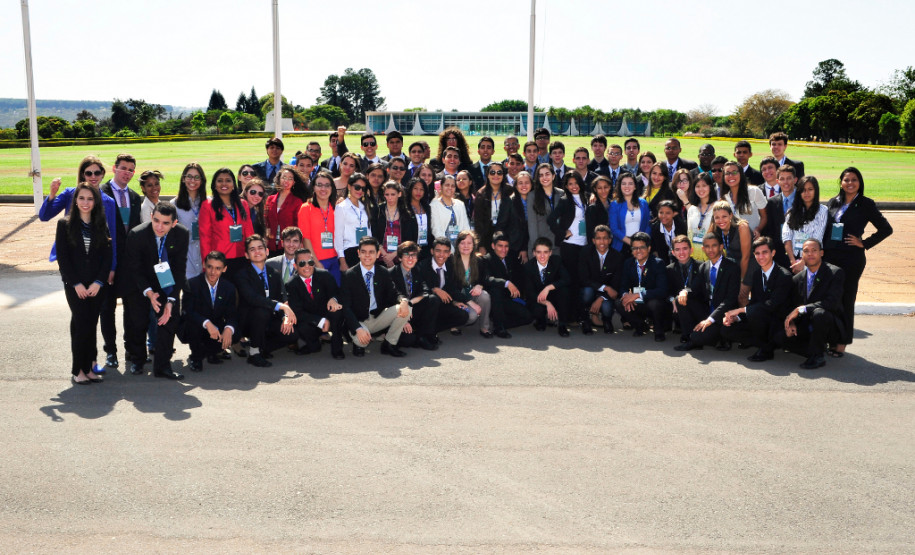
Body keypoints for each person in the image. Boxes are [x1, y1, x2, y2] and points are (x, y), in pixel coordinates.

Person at [40, 156, 118, 371]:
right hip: (73, 267)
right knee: (81, 317)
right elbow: (44, 216)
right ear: (82, 175)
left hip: (96, 269)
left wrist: (110, 269)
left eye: (97, 173)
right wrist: (52, 194)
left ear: (103, 175)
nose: (93, 177)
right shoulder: (70, 195)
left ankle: (90, 362)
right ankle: (82, 366)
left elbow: (111, 240)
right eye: (88, 173)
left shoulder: (108, 202)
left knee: (91, 316)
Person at [823, 167, 893, 357]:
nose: (850, 183)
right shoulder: (833, 202)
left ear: (860, 183)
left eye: (854, 180)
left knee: (846, 300)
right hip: (830, 257)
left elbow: (886, 229)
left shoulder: (865, 204)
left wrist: (864, 243)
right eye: (846, 180)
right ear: (841, 182)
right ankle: (830, 338)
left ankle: (841, 344)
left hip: (851, 259)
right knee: (831, 299)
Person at [123, 202, 189, 380]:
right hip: (140, 284)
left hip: (166, 280)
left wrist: (172, 301)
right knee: (138, 321)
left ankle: (162, 366)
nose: (160, 227)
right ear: (151, 216)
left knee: (170, 319)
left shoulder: (182, 234)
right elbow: (134, 269)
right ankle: (137, 359)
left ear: (174, 223)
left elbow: (179, 269)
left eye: (166, 223)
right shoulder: (137, 235)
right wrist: (149, 293)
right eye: (156, 221)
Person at [55, 183, 112, 385]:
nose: (85, 203)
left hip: (96, 286)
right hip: (75, 286)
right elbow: (63, 258)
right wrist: (76, 283)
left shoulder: (100, 224)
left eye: (89, 198)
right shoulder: (65, 224)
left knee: (91, 324)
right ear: (75, 200)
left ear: (95, 201)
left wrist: (98, 282)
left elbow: (107, 258)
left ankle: (88, 368)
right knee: (81, 325)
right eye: (81, 198)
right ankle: (78, 370)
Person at [720, 236, 793, 362]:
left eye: (765, 252)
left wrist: (740, 310)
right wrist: (736, 318)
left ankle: (766, 349)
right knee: (726, 329)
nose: (761, 257)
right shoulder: (756, 275)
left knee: (753, 313)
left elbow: (772, 304)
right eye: (757, 253)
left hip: (778, 323)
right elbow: (754, 303)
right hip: (760, 319)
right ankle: (762, 343)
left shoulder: (784, 275)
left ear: (773, 253)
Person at [100, 153, 141, 369]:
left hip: (129, 264)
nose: (126, 173)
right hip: (106, 262)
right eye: (123, 168)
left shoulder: (135, 197)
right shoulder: (101, 193)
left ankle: (131, 351)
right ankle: (110, 352)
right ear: (114, 168)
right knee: (107, 309)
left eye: (130, 170)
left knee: (131, 310)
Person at [340, 236, 411, 357]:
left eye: (371, 252)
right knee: (362, 342)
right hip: (359, 321)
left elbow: (394, 293)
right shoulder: (349, 275)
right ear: (358, 253)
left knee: (407, 307)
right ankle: (358, 341)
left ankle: (389, 344)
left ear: (378, 254)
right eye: (364, 252)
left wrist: (403, 300)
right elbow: (346, 307)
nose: (367, 255)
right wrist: (357, 328)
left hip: (377, 317)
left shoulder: (383, 271)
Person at [778, 239, 844, 369]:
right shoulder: (797, 278)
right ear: (802, 255)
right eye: (806, 251)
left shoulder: (835, 273)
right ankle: (813, 347)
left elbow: (832, 303)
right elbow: (790, 305)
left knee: (819, 313)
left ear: (821, 253)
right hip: (806, 324)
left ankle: (817, 356)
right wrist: (791, 322)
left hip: (828, 323)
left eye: (814, 250)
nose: (810, 254)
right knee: (779, 338)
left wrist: (802, 309)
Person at [234, 235, 297, 367]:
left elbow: (283, 296)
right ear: (246, 255)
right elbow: (252, 298)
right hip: (249, 320)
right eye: (252, 249)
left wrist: (286, 316)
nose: (257, 252)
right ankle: (254, 353)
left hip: (269, 318)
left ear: (267, 251)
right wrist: (281, 306)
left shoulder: (274, 272)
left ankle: (264, 347)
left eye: (260, 248)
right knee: (261, 311)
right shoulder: (242, 275)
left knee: (292, 334)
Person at [673, 233, 740, 352]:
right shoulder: (703, 267)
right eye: (707, 246)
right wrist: (684, 292)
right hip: (707, 310)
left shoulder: (732, 267)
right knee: (681, 299)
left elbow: (730, 300)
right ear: (703, 249)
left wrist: (710, 319)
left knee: (703, 336)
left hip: (724, 314)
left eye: (714, 246)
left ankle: (721, 337)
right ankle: (690, 338)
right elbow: (693, 288)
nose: (710, 249)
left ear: (721, 247)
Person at [179, 251, 239, 372]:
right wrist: (206, 323)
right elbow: (187, 311)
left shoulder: (229, 288)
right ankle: (196, 357)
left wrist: (228, 328)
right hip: (196, 325)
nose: (213, 272)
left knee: (235, 333)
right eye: (210, 267)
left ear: (224, 269)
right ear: (204, 265)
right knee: (193, 326)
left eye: (218, 268)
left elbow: (232, 313)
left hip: (215, 326)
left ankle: (212, 352)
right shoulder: (192, 284)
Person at [285, 247, 346, 359]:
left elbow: (338, 294)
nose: (307, 266)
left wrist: (334, 299)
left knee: (337, 312)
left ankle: (337, 348)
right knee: (302, 327)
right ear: (295, 266)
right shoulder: (291, 284)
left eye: (310, 262)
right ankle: (313, 345)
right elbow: (297, 311)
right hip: (310, 319)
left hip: (328, 314)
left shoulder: (325, 276)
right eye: (302, 263)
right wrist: (321, 321)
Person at [546, 172, 589, 321]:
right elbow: (551, 219)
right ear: (566, 186)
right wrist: (562, 233)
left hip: (585, 245)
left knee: (581, 281)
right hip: (570, 246)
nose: (574, 186)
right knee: (571, 281)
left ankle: (579, 314)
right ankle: (569, 316)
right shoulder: (565, 200)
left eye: (576, 183)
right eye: (570, 184)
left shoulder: (587, 197)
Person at [199, 168, 255, 278]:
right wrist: (207, 263)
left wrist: (252, 255)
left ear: (233, 184)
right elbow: (205, 237)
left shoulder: (242, 204)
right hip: (219, 260)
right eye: (220, 180)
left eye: (228, 180)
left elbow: (249, 233)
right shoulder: (208, 205)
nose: (224, 184)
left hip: (242, 257)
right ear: (214, 184)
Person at [616, 231, 669, 341]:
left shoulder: (658, 263)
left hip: (652, 301)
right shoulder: (628, 263)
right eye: (635, 248)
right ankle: (640, 326)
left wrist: (637, 295)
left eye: (642, 247)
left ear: (649, 248)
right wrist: (626, 295)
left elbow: (662, 290)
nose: (638, 251)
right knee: (619, 302)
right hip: (637, 302)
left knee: (655, 303)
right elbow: (623, 286)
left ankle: (659, 330)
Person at [387, 241, 440, 350]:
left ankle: (424, 336)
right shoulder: (391, 273)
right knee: (407, 340)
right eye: (407, 255)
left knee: (433, 299)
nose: (411, 258)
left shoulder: (417, 270)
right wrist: (404, 319)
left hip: (411, 308)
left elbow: (424, 291)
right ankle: (414, 337)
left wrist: (409, 303)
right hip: (397, 313)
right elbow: (390, 299)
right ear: (400, 258)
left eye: (413, 255)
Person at [480, 232, 533, 337]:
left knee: (528, 317)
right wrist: (506, 283)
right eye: (500, 246)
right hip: (493, 301)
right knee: (496, 290)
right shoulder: (486, 259)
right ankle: (499, 327)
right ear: (493, 246)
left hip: (508, 299)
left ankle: (501, 323)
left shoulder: (511, 257)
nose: (503, 250)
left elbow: (520, 275)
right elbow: (486, 279)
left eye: (506, 246)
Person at [419, 237, 476, 334]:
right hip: (426, 304)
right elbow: (419, 288)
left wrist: (455, 302)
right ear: (432, 251)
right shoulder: (422, 266)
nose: (441, 255)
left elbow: (452, 288)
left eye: (445, 251)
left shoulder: (451, 266)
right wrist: (434, 289)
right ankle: (427, 332)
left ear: (449, 253)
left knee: (463, 315)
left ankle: (433, 328)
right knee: (434, 299)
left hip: (444, 304)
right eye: (438, 251)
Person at [578, 225, 622, 334]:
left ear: (610, 240)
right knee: (587, 292)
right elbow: (583, 278)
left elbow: (616, 285)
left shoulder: (617, 257)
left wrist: (601, 298)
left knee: (607, 306)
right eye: (598, 238)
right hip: (591, 288)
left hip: (607, 294)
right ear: (593, 240)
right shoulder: (585, 252)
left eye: (605, 238)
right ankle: (585, 319)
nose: (602, 241)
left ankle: (606, 320)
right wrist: (605, 288)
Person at [297, 169, 339, 282]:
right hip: (316, 261)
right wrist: (316, 262)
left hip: (336, 260)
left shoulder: (337, 207)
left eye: (327, 185)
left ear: (332, 188)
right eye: (319, 185)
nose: (323, 189)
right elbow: (305, 239)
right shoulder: (306, 208)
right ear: (313, 188)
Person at [523, 237, 571, 337]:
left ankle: (562, 325)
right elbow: (530, 293)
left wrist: (548, 288)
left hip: (553, 295)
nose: (542, 256)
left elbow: (566, 279)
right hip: (537, 298)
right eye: (539, 252)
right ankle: (540, 320)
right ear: (534, 253)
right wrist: (547, 303)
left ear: (550, 253)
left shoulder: (556, 261)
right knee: (537, 312)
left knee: (564, 291)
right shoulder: (528, 267)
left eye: (545, 252)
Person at [783, 176, 828, 275]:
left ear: (816, 191)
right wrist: (793, 261)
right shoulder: (791, 211)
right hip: (793, 260)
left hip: (813, 260)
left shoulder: (822, 210)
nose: (806, 193)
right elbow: (786, 236)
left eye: (810, 189)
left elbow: (818, 238)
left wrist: (803, 262)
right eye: (803, 190)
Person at [453, 231, 493, 337]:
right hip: (458, 299)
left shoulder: (480, 260)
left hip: (472, 295)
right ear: (457, 245)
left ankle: (485, 327)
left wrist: (480, 285)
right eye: (462, 243)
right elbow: (451, 288)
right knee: (472, 316)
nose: (466, 246)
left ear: (474, 245)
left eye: (469, 243)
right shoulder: (451, 261)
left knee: (484, 295)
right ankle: (455, 324)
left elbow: (486, 277)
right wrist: (470, 303)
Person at [473, 161, 517, 255]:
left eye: (499, 172)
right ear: (488, 175)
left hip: (506, 236)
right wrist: (481, 245)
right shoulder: (481, 194)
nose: (496, 175)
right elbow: (478, 222)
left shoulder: (510, 191)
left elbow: (513, 218)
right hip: (487, 237)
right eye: (492, 172)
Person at [170, 163, 206, 279]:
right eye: (189, 176)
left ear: (202, 180)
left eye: (197, 177)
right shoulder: (174, 205)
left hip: (204, 256)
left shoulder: (208, 203)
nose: (192, 180)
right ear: (183, 179)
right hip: (186, 257)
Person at [665, 235, 701, 343]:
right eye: (677, 249)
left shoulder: (701, 267)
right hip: (678, 307)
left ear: (691, 250)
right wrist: (672, 299)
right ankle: (685, 332)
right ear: (673, 253)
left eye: (685, 248)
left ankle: (689, 333)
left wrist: (685, 293)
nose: (681, 252)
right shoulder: (669, 269)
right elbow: (666, 291)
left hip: (697, 305)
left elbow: (701, 290)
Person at [371, 180, 416, 268]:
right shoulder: (378, 210)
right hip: (380, 255)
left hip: (401, 256)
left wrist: (394, 254)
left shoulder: (406, 212)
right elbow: (373, 234)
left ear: (399, 194)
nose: (390, 198)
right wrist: (385, 255)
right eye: (387, 194)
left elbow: (410, 238)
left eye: (393, 194)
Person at [265, 167, 309, 255]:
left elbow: (298, 225)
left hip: (289, 246)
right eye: (284, 177)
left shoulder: (297, 201)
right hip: (271, 245)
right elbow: (266, 221)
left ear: (293, 183)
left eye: (290, 178)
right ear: (279, 179)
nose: (286, 181)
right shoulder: (270, 199)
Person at [334, 172, 372, 272]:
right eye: (357, 187)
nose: (360, 191)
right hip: (349, 252)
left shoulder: (365, 207)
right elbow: (338, 236)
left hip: (365, 253)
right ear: (349, 186)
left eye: (363, 188)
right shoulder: (341, 207)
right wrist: (342, 261)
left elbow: (369, 231)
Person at [763, 164, 798, 269]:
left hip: (798, 251)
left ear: (795, 180)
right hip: (778, 253)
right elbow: (769, 229)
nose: (785, 182)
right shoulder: (772, 202)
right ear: (778, 181)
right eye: (782, 179)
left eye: (789, 178)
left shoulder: (802, 200)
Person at [710, 200, 753, 284]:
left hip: (749, 265)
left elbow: (746, 257)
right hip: (732, 265)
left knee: (742, 294)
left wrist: (741, 281)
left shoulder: (742, 227)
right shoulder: (715, 227)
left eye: (724, 216)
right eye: (717, 217)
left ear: (730, 215)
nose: (721, 220)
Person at [721, 161, 767, 238]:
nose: (731, 175)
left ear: (741, 174)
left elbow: (764, 216)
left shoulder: (754, 191)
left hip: (754, 239)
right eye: (727, 173)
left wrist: (758, 229)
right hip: (734, 241)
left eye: (734, 172)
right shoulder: (724, 197)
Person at [608, 172, 650, 256]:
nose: (627, 186)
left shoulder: (643, 203)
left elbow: (647, 225)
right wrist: (631, 243)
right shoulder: (614, 205)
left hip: (641, 245)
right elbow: (614, 229)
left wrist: (643, 242)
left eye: (630, 183)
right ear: (619, 186)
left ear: (635, 186)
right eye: (624, 184)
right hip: (621, 247)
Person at [527, 164, 564, 256]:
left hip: (558, 245)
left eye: (547, 174)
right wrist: (536, 247)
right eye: (541, 175)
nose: (544, 177)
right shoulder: (532, 196)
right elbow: (532, 224)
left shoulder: (562, 193)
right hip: (540, 245)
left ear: (553, 176)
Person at [684, 173, 718, 263]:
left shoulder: (717, 208)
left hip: (712, 256)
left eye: (704, 186)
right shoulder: (692, 209)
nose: (701, 189)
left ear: (710, 187)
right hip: (694, 257)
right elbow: (689, 233)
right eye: (697, 186)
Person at [430, 174, 470, 245]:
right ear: (441, 187)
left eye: (453, 186)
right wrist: (448, 249)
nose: (450, 188)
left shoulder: (460, 204)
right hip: (443, 247)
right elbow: (436, 230)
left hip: (460, 246)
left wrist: (462, 246)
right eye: (447, 185)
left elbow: (466, 228)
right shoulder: (434, 205)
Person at [650, 200, 687, 266]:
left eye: (668, 213)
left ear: (674, 213)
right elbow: (655, 249)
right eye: (661, 213)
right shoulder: (655, 228)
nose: (664, 216)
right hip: (664, 261)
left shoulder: (681, 225)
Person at [405, 178, 433, 259]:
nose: (418, 192)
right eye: (415, 188)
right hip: (410, 249)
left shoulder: (427, 207)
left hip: (425, 248)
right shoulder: (405, 207)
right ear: (410, 189)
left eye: (421, 189)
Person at [509, 171, 533, 262]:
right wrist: (523, 248)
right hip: (515, 247)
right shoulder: (510, 202)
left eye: (527, 183)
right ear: (515, 185)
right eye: (520, 183)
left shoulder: (536, 201)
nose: (524, 186)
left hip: (534, 244)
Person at [584, 175, 612, 242]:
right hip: (599, 244)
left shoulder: (613, 204)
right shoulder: (592, 208)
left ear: (610, 187)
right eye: (599, 188)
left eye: (606, 187)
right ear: (595, 189)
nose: (603, 190)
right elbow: (590, 233)